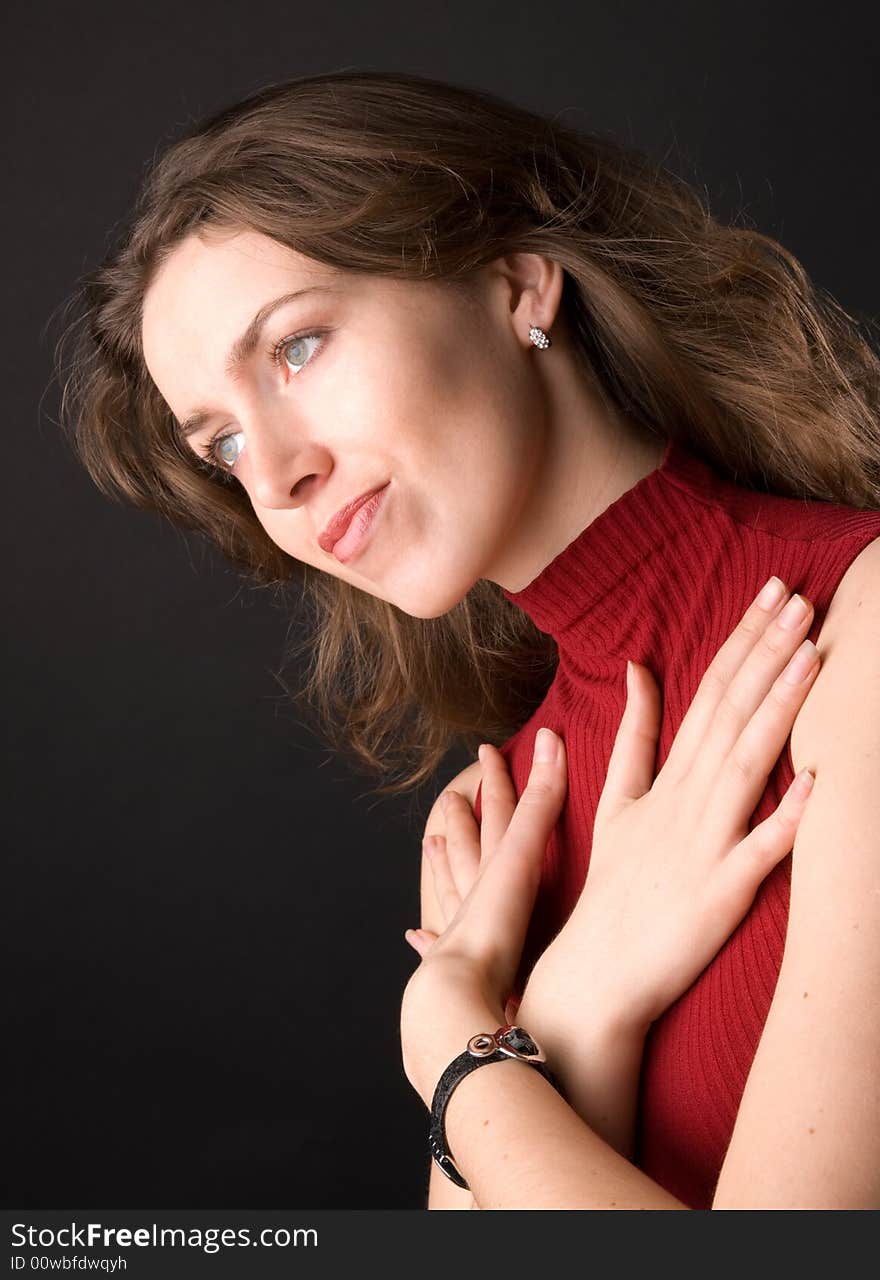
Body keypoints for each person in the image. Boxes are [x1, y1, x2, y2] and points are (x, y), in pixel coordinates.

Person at [54, 69, 880, 1210]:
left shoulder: (861, 630)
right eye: (223, 446)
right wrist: (578, 1003)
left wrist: (451, 1042)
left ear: (515, 282)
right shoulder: (504, 819)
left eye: (295, 349)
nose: (279, 474)